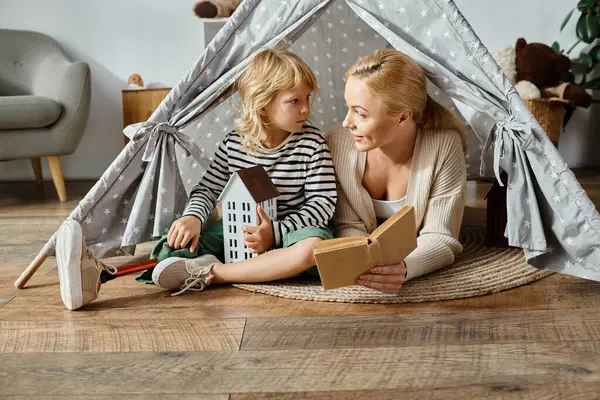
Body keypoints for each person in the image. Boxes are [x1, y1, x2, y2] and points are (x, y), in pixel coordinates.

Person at [54, 49, 337, 310]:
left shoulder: (311, 143)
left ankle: (214, 274)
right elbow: (208, 189)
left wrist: (275, 232)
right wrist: (194, 218)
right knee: (175, 246)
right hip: (241, 230)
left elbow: (323, 204)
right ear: (262, 107)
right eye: (295, 101)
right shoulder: (234, 144)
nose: (306, 109)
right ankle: (97, 275)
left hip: (292, 233)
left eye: (308, 98)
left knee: (314, 247)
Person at [327, 48, 467, 294]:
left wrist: (406, 267)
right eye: (348, 108)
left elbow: (441, 234)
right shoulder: (338, 144)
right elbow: (347, 224)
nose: (347, 122)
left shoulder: (444, 145)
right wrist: (366, 261)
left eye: (360, 113)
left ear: (403, 117)